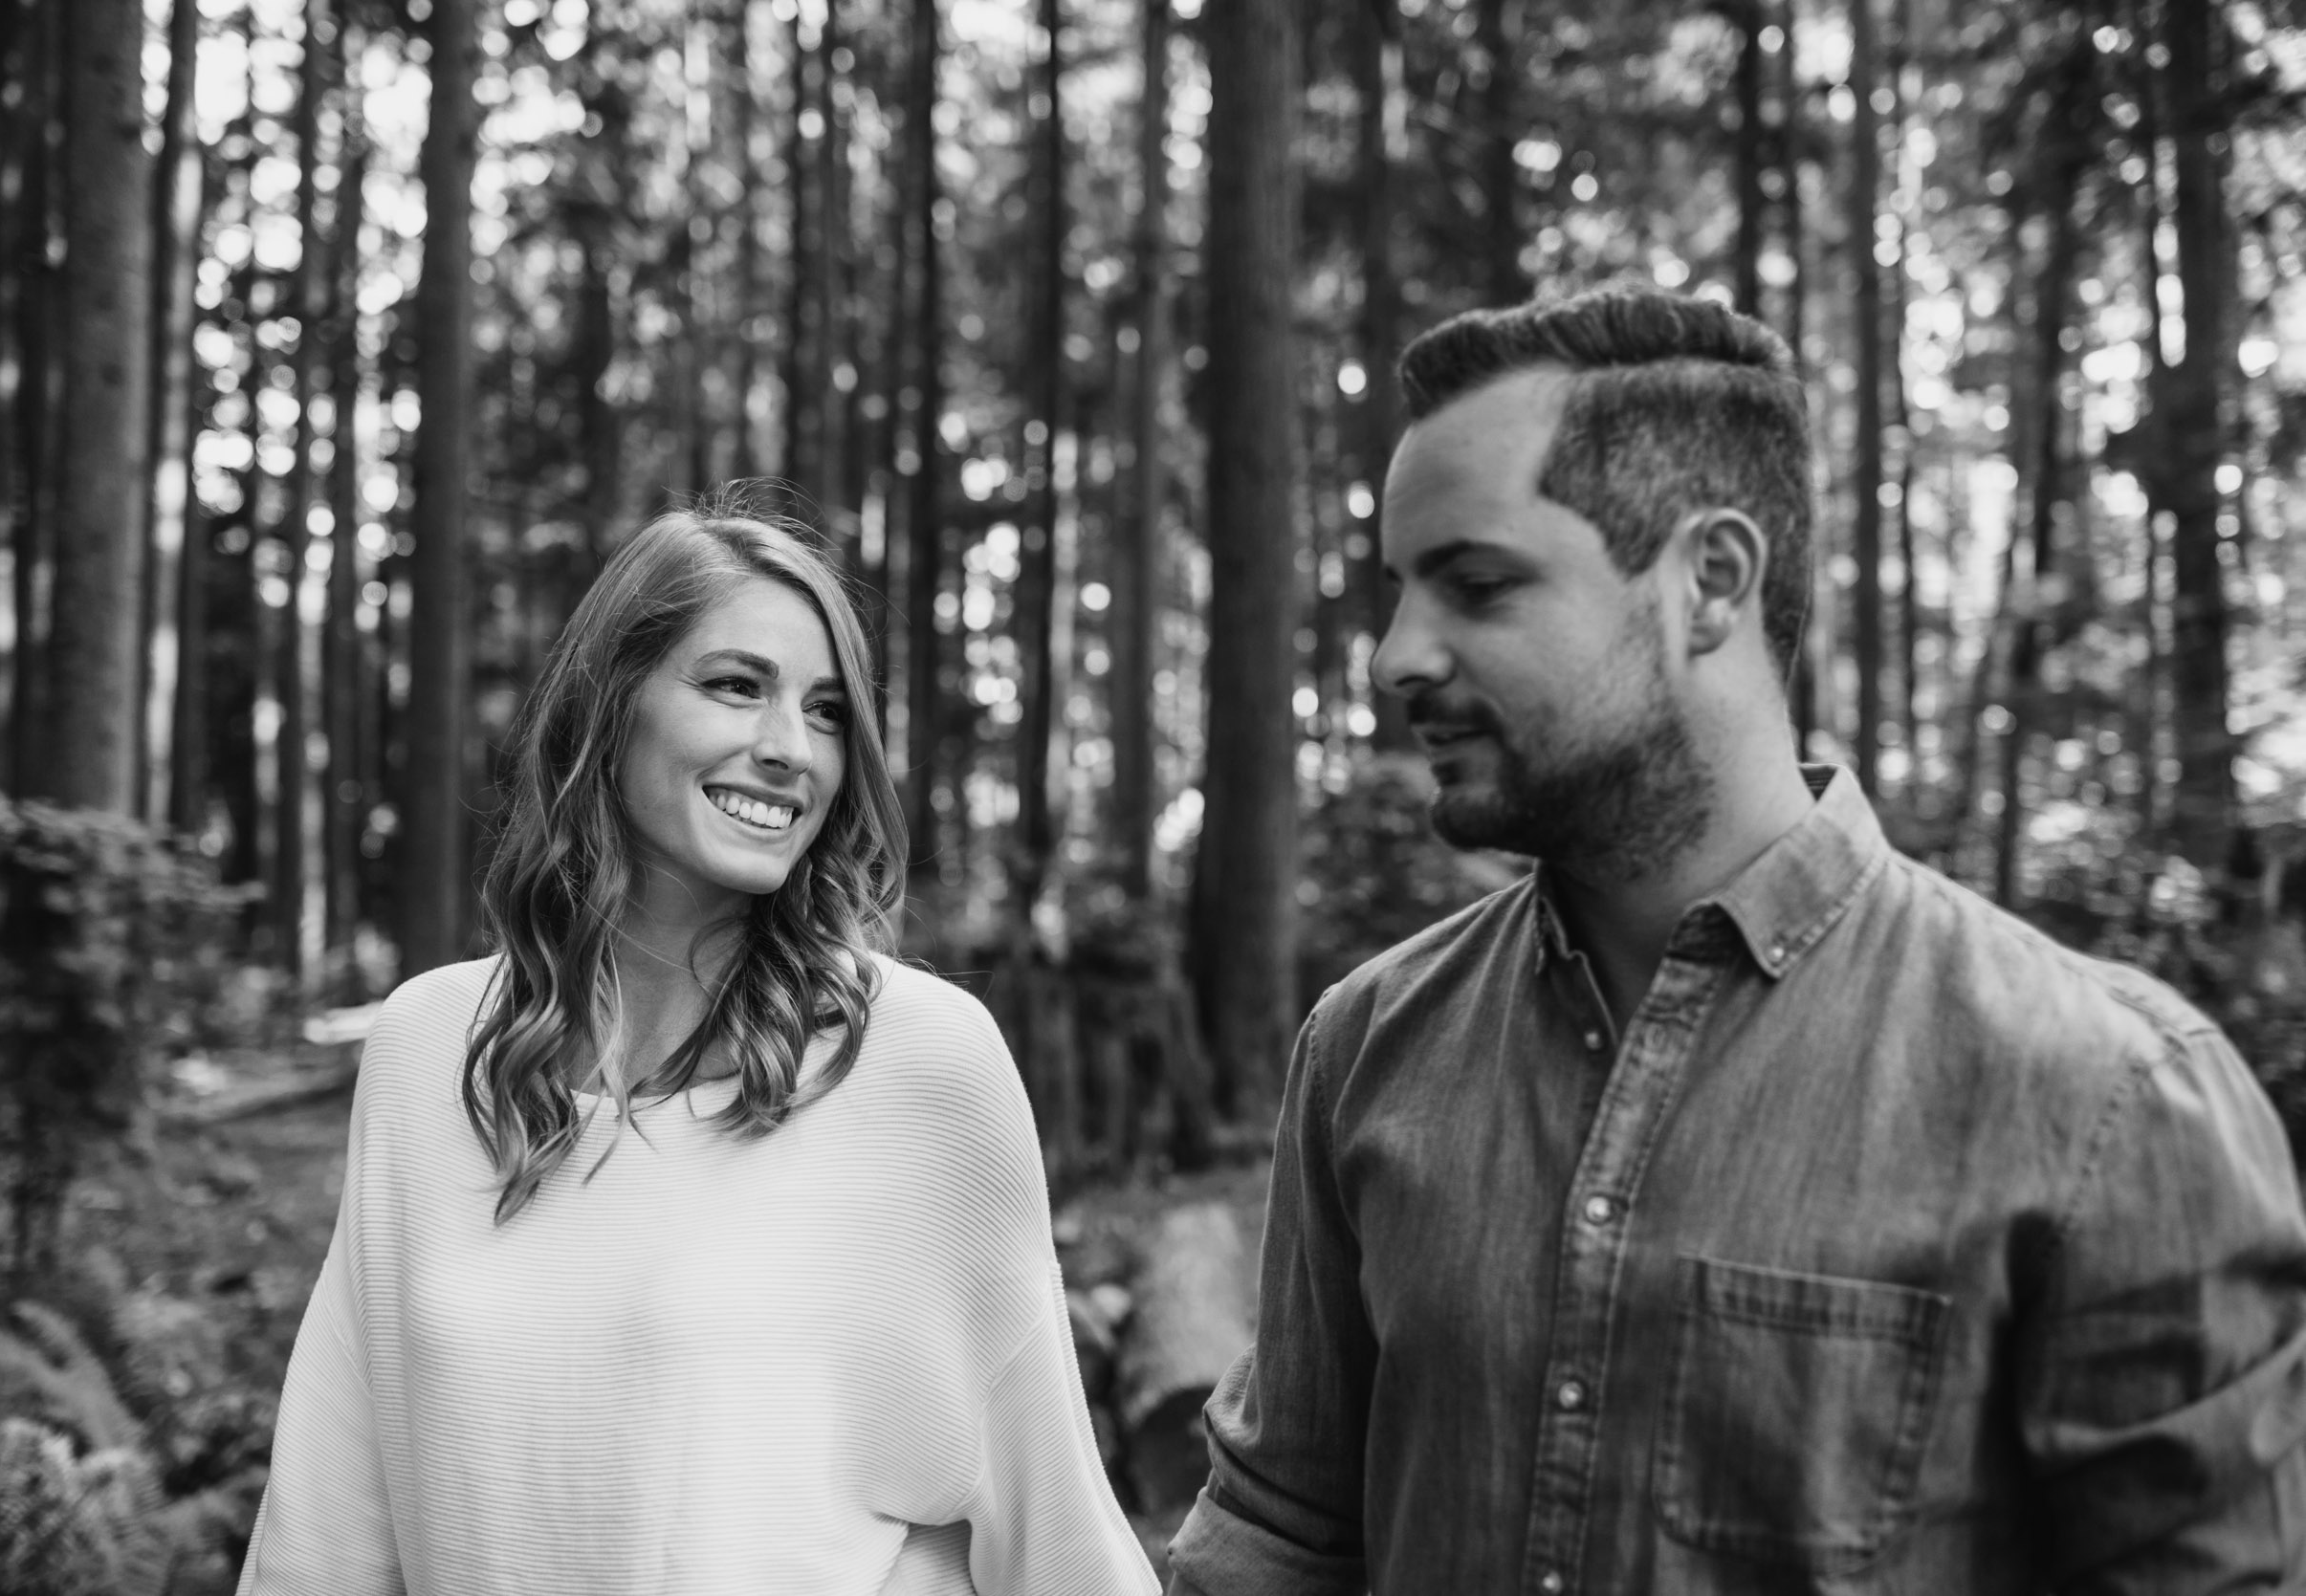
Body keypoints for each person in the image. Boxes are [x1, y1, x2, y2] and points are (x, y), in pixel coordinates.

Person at [1164, 286, 2306, 1594]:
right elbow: (1278, 1541)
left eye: (1476, 584)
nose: (1394, 656)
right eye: (1399, 591)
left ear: (1710, 581)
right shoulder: (1370, 1044)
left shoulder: (2113, 1100)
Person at [238, 501, 1156, 1595]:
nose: (787, 750)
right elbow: (326, 1528)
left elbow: (1052, 1532)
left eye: (824, 711)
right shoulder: (426, 1049)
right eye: (735, 685)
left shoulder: (920, 1061)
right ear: (609, 705)